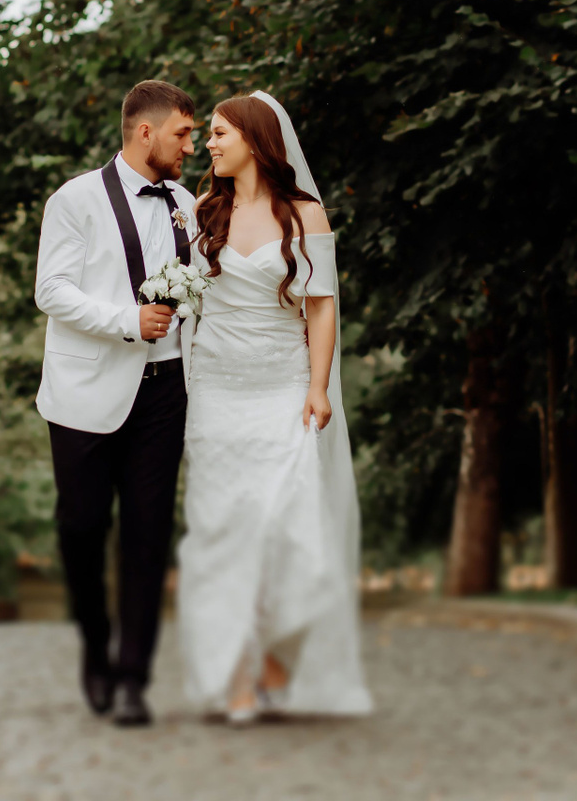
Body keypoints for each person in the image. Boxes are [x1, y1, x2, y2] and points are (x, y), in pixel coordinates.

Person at [176, 92, 373, 722]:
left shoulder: (305, 214)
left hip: (282, 390)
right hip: (215, 390)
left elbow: (321, 306)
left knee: (287, 530)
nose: (208, 144)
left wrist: (318, 387)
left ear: (256, 140)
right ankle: (234, 671)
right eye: (208, 134)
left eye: (219, 133)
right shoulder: (204, 212)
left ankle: (276, 653)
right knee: (222, 532)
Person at [33, 80, 198, 727]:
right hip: (85, 394)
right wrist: (128, 320)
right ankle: (95, 649)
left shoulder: (186, 204)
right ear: (145, 132)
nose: (191, 147)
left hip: (166, 390)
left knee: (148, 535)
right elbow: (52, 290)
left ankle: (132, 677)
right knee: (81, 529)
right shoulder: (74, 200)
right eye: (183, 134)